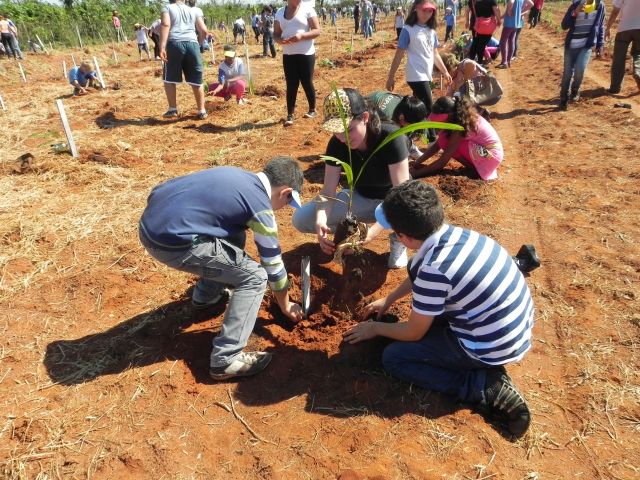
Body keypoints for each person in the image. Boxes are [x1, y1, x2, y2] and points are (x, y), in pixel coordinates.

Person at [344, 180, 533, 438]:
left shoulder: (435, 269)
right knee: (429, 317)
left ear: (404, 237)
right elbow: (418, 273)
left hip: (491, 345)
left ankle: (481, 385)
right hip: (511, 328)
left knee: (394, 357)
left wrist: (375, 328)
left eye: (395, 233)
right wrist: (389, 299)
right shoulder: (454, 236)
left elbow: (414, 332)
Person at [139, 157, 305, 380]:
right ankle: (225, 360)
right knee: (255, 277)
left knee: (235, 234)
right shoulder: (260, 208)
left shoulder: (236, 175)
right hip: (171, 244)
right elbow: (272, 264)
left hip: (150, 224)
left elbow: (163, 189)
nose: (283, 208)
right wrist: (285, 305)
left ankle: (206, 297)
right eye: (287, 202)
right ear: (286, 192)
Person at [291, 88, 411, 269]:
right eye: (336, 131)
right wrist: (321, 220)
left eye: (348, 129)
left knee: (410, 207)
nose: (342, 138)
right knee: (301, 219)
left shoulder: (391, 138)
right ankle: (352, 230)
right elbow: (328, 191)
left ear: (365, 117)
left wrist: (372, 232)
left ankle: (399, 239)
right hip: (361, 197)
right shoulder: (337, 144)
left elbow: (401, 196)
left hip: (393, 202)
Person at [387, 0, 452, 124]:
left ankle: (411, 126)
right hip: (415, 75)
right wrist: (391, 77)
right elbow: (399, 55)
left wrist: (445, 72)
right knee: (429, 107)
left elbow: (435, 54)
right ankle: (431, 134)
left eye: (430, 11)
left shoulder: (431, 31)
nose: (427, 14)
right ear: (416, 9)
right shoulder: (408, 30)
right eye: (424, 10)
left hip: (426, 75)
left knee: (419, 106)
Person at [411, 96, 504, 180]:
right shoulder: (457, 118)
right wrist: (417, 162)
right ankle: (473, 167)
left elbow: (442, 162)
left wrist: (415, 174)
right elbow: (437, 145)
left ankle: (475, 169)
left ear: (449, 116)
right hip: (486, 152)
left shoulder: (461, 127)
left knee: (446, 143)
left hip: (490, 156)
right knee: (444, 139)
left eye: (440, 121)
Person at [159, 0, 209, 120]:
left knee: (169, 78)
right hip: (192, 44)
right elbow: (204, 31)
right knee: (197, 79)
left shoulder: (167, 8)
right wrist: (198, 44)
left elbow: (165, 25)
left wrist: (162, 47)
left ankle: (172, 109)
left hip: (175, 43)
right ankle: (202, 111)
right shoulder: (193, 10)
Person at [274, 0, 321, 126]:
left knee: (307, 81)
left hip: (306, 54)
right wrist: (280, 41)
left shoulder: (308, 9)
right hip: (288, 55)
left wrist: (301, 36)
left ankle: (312, 109)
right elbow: (276, 34)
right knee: (291, 84)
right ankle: (290, 114)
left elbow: (317, 30)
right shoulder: (279, 13)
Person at [558, 0, 605, 110]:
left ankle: (575, 90)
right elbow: (564, 26)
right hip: (571, 45)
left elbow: (600, 25)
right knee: (567, 73)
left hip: (586, 45)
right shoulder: (576, 4)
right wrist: (575, 12)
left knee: (580, 69)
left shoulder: (599, 5)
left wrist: (600, 44)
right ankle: (563, 97)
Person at [366, 91, 428, 158]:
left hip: (382, 100)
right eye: (412, 124)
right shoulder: (387, 119)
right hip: (367, 107)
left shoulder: (406, 104)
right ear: (402, 118)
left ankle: (411, 148)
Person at [606, 0, 640, 94]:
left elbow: (615, 11)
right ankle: (638, 72)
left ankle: (615, 88)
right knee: (638, 54)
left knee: (618, 59)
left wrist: (608, 28)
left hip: (624, 28)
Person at [496, 0, 533, 68]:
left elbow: (511, 2)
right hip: (516, 24)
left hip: (509, 23)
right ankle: (508, 61)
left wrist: (509, 10)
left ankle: (504, 62)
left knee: (503, 42)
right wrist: (520, 12)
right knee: (511, 41)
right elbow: (531, 4)